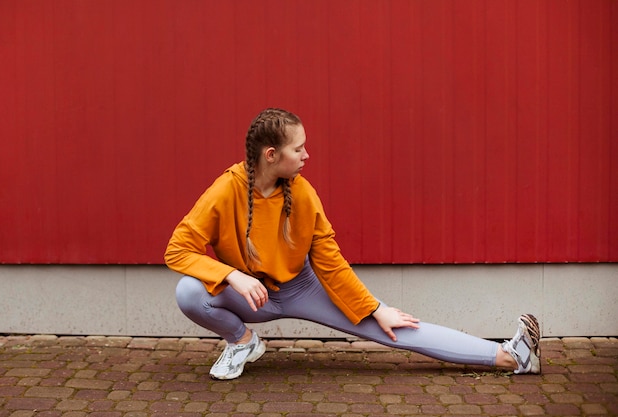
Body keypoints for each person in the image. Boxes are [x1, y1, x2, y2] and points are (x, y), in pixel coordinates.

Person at [164, 108, 541, 380]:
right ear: (271, 155)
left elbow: (330, 261)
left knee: (393, 327)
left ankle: (512, 357)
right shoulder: (224, 191)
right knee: (188, 292)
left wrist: (375, 308)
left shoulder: (304, 195)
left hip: (301, 287)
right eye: (299, 149)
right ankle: (243, 342)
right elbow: (177, 249)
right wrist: (233, 276)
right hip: (252, 297)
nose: (307, 156)